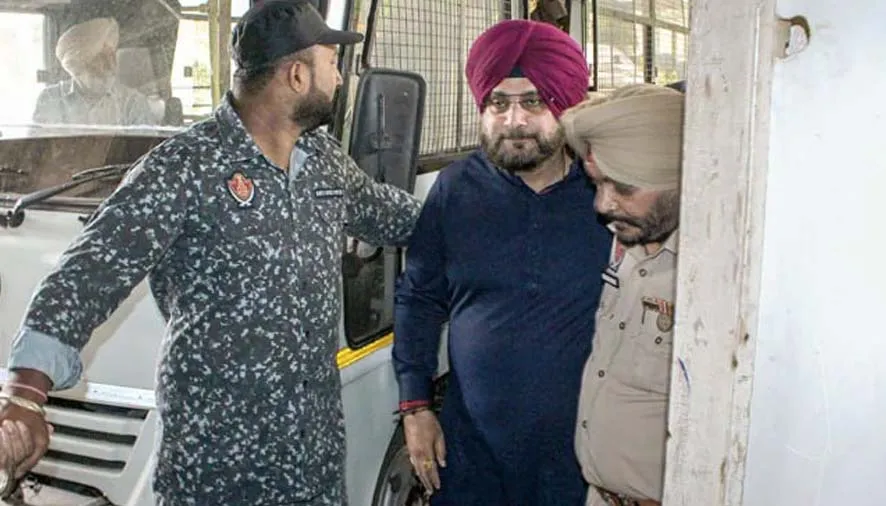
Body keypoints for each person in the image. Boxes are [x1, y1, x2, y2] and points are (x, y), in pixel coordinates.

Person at [1, 1, 422, 505]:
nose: (338, 77)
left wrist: (484, 204)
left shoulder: (323, 161)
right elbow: (85, 274)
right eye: (332, 63)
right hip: (216, 467)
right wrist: (26, 395)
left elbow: (393, 215)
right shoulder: (184, 167)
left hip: (312, 459)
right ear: (296, 76)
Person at [392, 19, 614, 506]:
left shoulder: (609, 193)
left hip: (585, 461)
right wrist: (415, 406)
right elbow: (419, 297)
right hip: (473, 458)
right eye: (498, 102)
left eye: (533, 101)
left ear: (565, 104)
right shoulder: (455, 190)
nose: (514, 121)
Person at [559, 83, 685, 506]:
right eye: (597, 184)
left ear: (679, 178)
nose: (603, 205)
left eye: (624, 189)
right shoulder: (627, 244)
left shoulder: (715, 277)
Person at [32, 17, 156, 126]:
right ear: (78, 64)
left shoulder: (133, 102)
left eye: (113, 55)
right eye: (101, 57)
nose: (111, 65)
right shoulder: (50, 100)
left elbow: (149, 146)